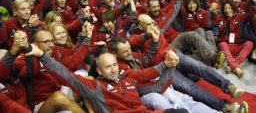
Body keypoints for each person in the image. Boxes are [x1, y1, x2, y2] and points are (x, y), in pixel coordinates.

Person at [26, 31, 189, 113]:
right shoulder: (95, 87)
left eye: (114, 65)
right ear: (99, 70)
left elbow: (158, 86)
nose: (113, 69)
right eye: (108, 67)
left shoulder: (127, 80)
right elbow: (65, 74)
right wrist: (42, 56)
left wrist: (170, 65)